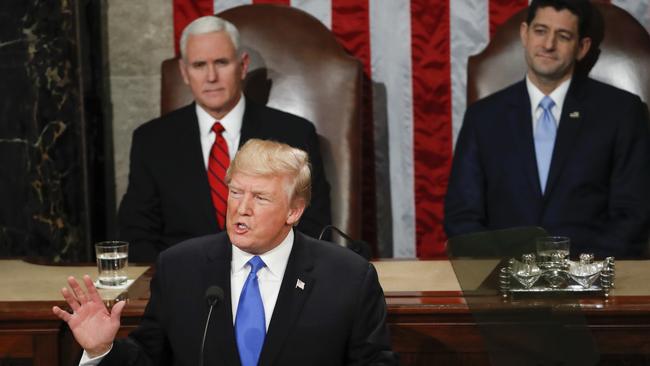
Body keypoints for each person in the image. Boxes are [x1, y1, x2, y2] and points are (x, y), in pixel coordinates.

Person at [54, 139, 397, 366]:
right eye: (235, 192)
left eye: (259, 198)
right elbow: (150, 359)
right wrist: (102, 350)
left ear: (294, 211)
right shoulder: (180, 268)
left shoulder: (347, 277)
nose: (241, 209)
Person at [445, 0, 650, 257]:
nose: (548, 44)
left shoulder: (620, 112)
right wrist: (501, 272)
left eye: (563, 36)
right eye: (540, 31)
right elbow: (462, 215)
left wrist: (580, 273)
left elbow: (632, 214)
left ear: (582, 48)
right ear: (525, 34)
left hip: (591, 282)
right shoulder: (483, 117)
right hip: (504, 281)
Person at [118, 16, 331, 262]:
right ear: (184, 73)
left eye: (221, 62)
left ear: (242, 66)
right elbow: (137, 233)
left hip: (271, 280)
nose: (211, 77)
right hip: (184, 281)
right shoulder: (152, 141)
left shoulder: (293, 133)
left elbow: (313, 225)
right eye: (199, 65)